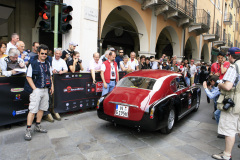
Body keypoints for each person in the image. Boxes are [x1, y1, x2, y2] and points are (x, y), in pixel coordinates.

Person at [212, 47, 240, 160]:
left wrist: (219, 84)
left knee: (229, 130)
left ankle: (227, 155)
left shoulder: (234, 67)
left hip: (234, 102)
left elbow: (228, 86)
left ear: (230, 56)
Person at [23, 44, 54, 141]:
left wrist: (52, 86)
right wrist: (35, 89)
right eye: (42, 53)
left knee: (42, 109)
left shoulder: (48, 63)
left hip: (46, 89)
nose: (44, 55)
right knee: (33, 110)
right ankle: (28, 129)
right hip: (37, 90)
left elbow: (50, 75)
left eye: (45, 53)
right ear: (38, 53)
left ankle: (38, 125)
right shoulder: (33, 63)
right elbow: (28, 77)